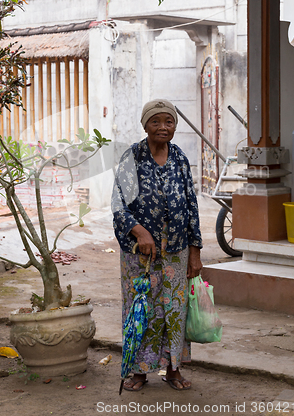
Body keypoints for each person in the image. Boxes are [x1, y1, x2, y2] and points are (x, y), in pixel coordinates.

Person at [112, 99, 203, 391]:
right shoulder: (132, 157)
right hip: (141, 252)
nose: (163, 127)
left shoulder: (180, 158)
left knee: (175, 310)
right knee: (142, 308)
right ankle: (139, 371)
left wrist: (195, 252)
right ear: (145, 125)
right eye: (156, 121)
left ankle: (173, 369)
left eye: (169, 122)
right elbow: (118, 206)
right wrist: (139, 232)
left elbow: (191, 205)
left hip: (177, 249)